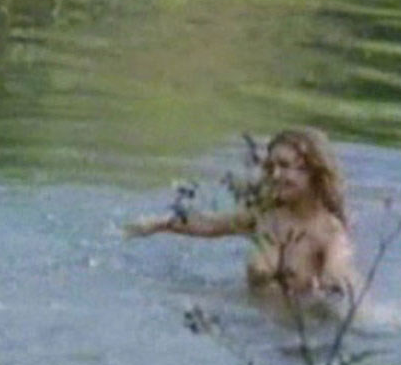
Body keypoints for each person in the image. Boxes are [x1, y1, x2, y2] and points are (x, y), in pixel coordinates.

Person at [126, 129, 360, 315]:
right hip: (252, 320)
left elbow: (340, 274)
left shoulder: (329, 232)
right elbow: (208, 224)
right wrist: (157, 224)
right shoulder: (264, 216)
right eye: (271, 167)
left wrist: (331, 282)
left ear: (314, 173)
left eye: (285, 166)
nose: (275, 175)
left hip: (295, 334)